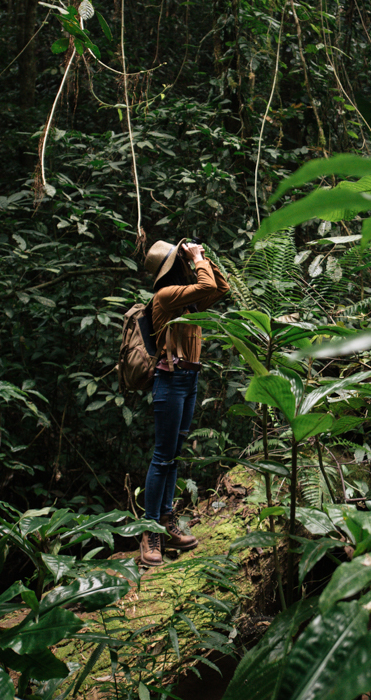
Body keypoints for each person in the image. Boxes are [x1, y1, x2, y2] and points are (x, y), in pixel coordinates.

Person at [139, 238, 230, 567]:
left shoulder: (187, 301)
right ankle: (149, 533)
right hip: (170, 381)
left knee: (173, 457)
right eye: (181, 259)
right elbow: (205, 282)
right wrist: (197, 258)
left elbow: (220, 287)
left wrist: (203, 258)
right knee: (163, 458)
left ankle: (166, 520)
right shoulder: (167, 297)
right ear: (174, 266)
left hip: (188, 380)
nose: (186, 262)